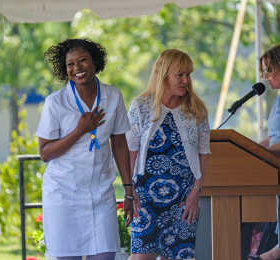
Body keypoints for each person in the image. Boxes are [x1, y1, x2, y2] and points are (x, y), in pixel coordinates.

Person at [37, 38, 134, 260]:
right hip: (63, 196)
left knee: (106, 256)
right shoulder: (56, 102)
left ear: (94, 62)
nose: (77, 68)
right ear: (65, 69)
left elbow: (119, 144)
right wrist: (80, 130)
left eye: (82, 60)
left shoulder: (113, 96)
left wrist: (129, 191)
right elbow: (45, 153)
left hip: (101, 194)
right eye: (70, 64)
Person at [126, 49, 210, 260]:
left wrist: (196, 191)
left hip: (184, 198)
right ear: (163, 74)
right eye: (180, 75)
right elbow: (130, 151)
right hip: (144, 196)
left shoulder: (197, 110)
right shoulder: (140, 106)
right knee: (141, 257)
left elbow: (203, 153)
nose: (186, 80)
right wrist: (129, 189)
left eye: (188, 75)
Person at [248, 44, 280, 260]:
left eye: (268, 70)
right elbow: (272, 137)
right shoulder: (278, 98)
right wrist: (248, 150)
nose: (265, 76)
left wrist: (263, 152)